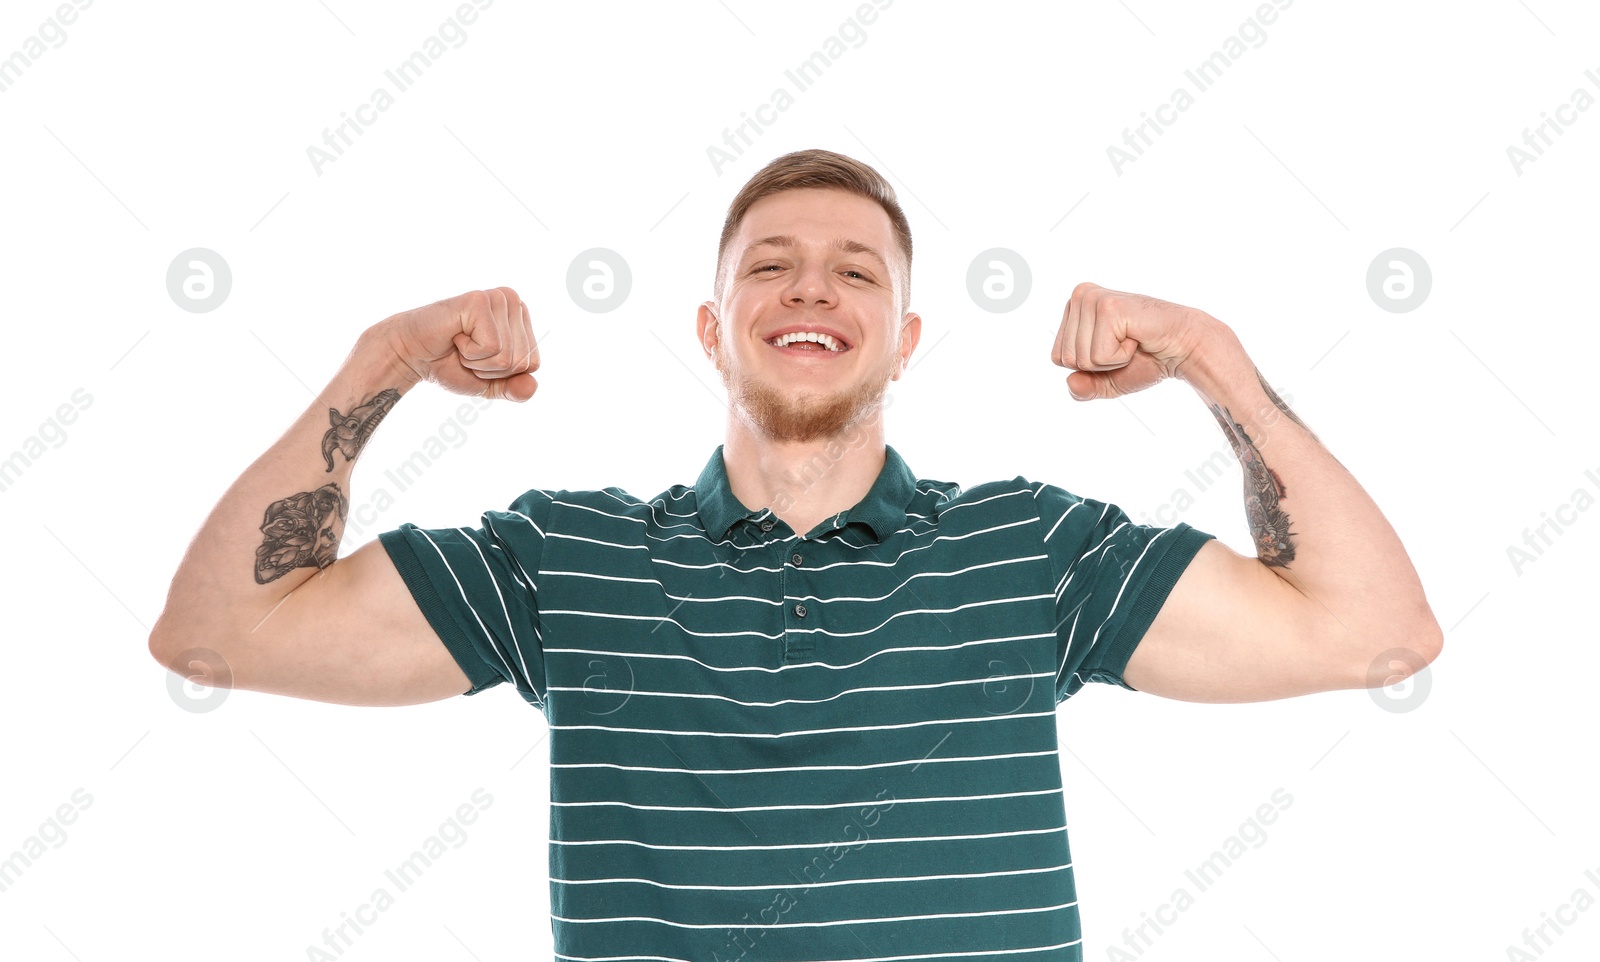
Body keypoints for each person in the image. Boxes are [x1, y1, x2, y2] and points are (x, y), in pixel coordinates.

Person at [150, 148, 1442, 960]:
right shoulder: (570, 561)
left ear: (907, 336)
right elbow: (222, 630)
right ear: (714, 329)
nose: (812, 291)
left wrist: (1215, 360)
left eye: (854, 274)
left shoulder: (1028, 550)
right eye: (771, 267)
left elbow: (1374, 627)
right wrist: (378, 369)